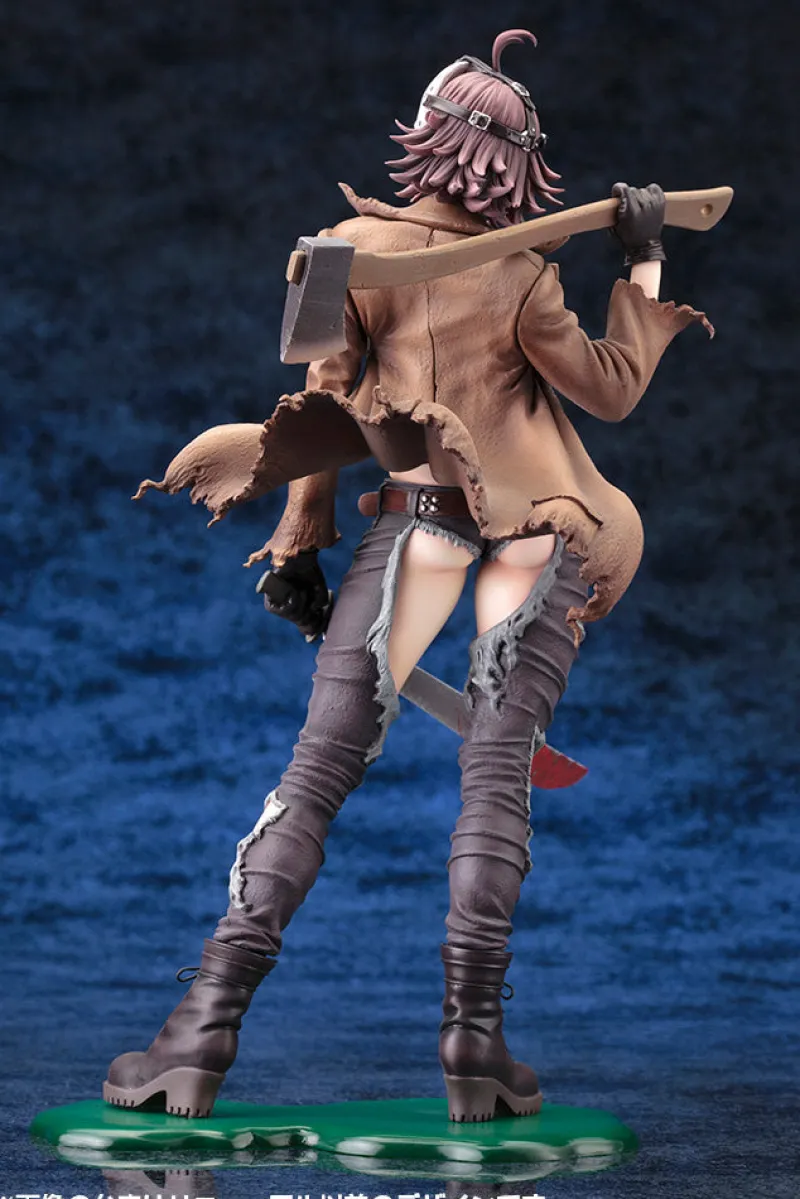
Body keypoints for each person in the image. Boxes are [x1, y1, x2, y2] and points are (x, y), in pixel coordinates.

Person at [103, 29, 712, 1123]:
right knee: (497, 775)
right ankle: (473, 1041)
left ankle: (198, 1031)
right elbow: (614, 389)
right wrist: (645, 259)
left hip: (418, 525)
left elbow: (331, 403)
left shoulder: (350, 250)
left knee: (319, 768)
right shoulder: (523, 277)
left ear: (426, 137)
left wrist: (302, 537)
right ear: (521, 169)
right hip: (537, 532)